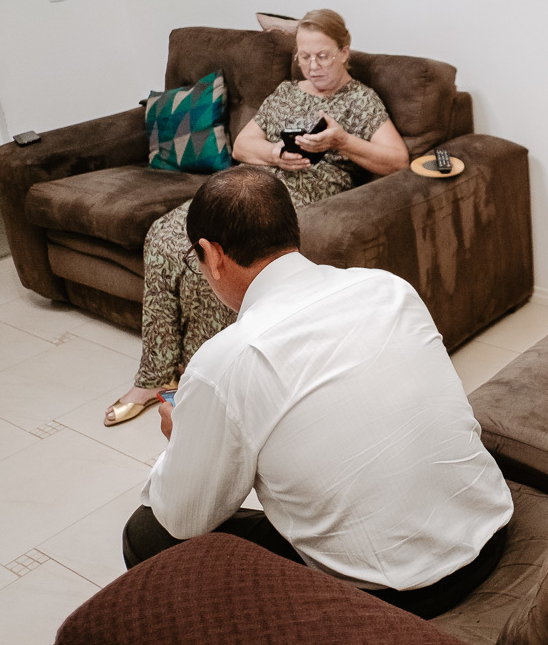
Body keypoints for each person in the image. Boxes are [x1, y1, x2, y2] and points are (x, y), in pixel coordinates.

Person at [122, 165, 513, 618]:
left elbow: (184, 517)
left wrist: (183, 434)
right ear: (293, 229)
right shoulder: (388, 288)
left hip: (395, 593)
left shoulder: (227, 359)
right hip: (489, 532)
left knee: (147, 534)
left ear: (212, 254)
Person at [105, 9, 410, 426]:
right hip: (251, 181)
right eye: (305, 57)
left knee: (217, 258)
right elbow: (245, 143)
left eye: (322, 56)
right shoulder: (287, 92)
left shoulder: (361, 100)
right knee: (163, 236)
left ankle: (202, 378)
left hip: (298, 197)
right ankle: (153, 375)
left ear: (344, 51)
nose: (313, 66)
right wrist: (275, 154)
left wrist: (342, 140)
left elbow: (398, 160)